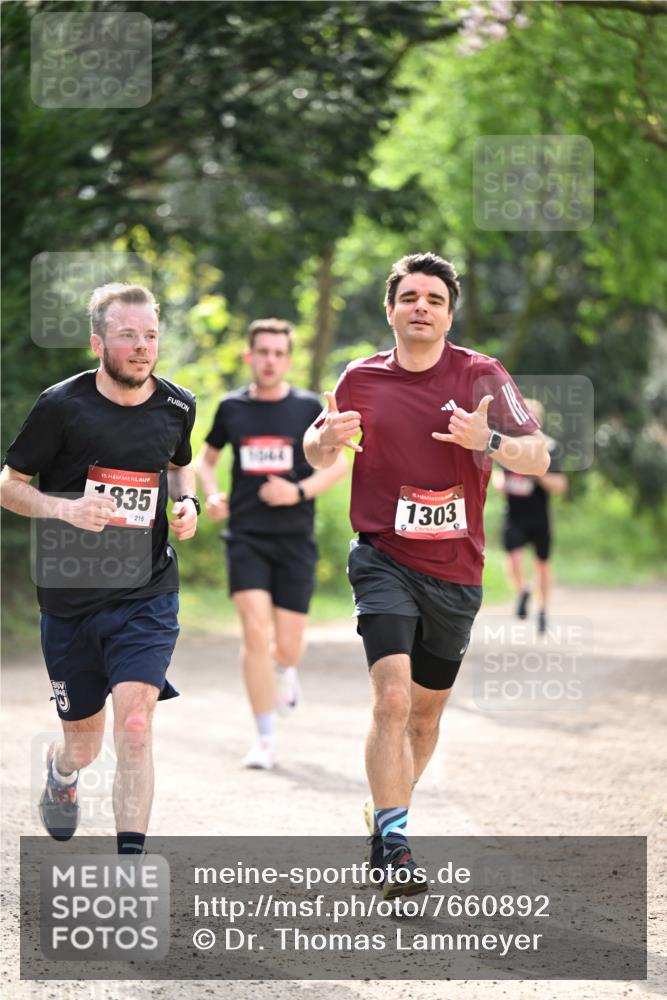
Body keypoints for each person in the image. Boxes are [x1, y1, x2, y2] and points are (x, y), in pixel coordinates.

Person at [304, 252, 550, 899]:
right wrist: (324, 440)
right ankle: (395, 846)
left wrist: (488, 442)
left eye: (434, 299)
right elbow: (316, 447)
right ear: (390, 310)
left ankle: (385, 814)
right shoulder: (359, 376)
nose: (421, 307)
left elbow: (538, 455)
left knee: (423, 717)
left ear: (449, 315)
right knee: (391, 699)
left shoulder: (481, 375)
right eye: (409, 297)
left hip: (456, 572)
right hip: (382, 557)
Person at [0, 283, 198, 853]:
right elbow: (10, 485)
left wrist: (186, 503)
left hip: (146, 591)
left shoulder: (178, 405)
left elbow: (178, 466)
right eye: (127, 335)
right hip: (70, 598)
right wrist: (65, 509)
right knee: (84, 746)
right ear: (97, 343)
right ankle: (62, 771)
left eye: (150, 335)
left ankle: (130, 865)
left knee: (135, 725)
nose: (142, 347)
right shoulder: (61, 405)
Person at [196, 319, 347, 770]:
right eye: (262, 352)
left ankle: (286, 669)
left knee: (288, 646)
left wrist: (296, 492)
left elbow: (338, 467)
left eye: (279, 353)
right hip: (246, 536)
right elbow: (206, 462)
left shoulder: (306, 408)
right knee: (253, 630)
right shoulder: (231, 408)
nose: (270, 360)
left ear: (288, 359)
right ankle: (265, 739)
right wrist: (213, 495)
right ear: (249, 356)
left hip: (295, 539)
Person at [493, 398, 567, 633]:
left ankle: (543, 609)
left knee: (542, 564)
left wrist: (536, 470)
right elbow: (497, 474)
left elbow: (560, 485)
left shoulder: (549, 447)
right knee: (513, 557)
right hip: (514, 514)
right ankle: (523, 590)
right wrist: (499, 482)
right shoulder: (508, 444)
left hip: (539, 515)